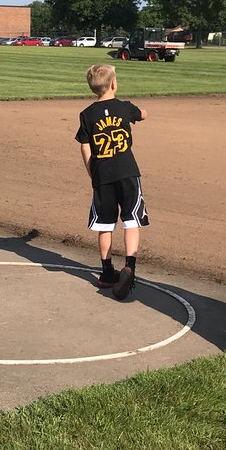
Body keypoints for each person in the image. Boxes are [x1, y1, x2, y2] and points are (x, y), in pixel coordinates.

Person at [76, 64, 148, 299]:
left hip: (102, 175)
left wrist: (91, 172)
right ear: (114, 84)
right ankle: (130, 266)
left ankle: (107, 271)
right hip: (127, 172)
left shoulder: (86, 114)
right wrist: (141, 113)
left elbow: (85, 147)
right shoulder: (124, 108)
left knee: (105, 225)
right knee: (131, 220)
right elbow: (142, 114)